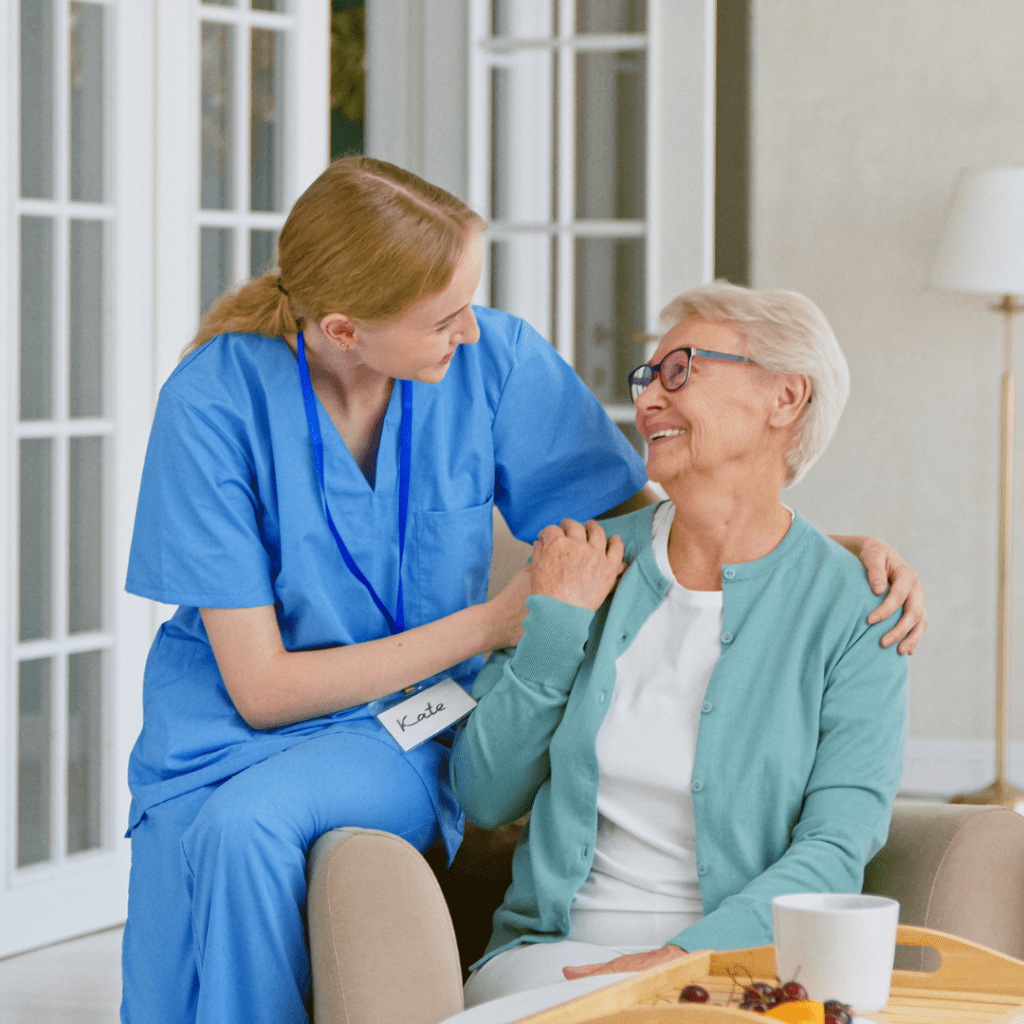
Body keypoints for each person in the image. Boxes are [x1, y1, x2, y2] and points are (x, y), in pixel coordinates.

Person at [120, 156, 920, 1024]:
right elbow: (263, 688)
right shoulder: (213, 402)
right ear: (347, 330)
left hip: (395, 725)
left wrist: (818, 556)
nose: (472, 328)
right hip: (228, 720)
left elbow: (651, 515)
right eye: (443, 316)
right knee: (174, 947)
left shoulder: (492, 361)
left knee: (245, 833)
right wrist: (496, 624)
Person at [453, 282, 910, 1008]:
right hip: (556, 959)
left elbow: (836, 844)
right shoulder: (583, 563)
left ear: (785, 399)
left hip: (746, 966)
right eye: (646, 378)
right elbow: (484, 793)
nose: (647, 401)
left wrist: (677, 960)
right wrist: (556, 630)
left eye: (680, 371)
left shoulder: (860, 610)